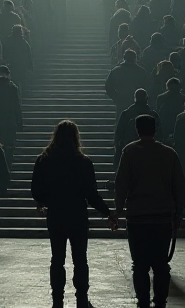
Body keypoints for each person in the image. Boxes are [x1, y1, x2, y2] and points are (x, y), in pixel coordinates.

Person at [32, 120, 116, 308]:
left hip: (56, 214)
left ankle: (57, 299)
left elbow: (36, 189)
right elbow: (91, 194)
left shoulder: (44, 159)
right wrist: (108, 212)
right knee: (80, 259)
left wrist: (44, 202)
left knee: (57, 259)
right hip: (77, 214)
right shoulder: (83, 161)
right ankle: (82, 298)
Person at [114, 115, 185, 308]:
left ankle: (143, 302)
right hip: (162, 217)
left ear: (137, 130)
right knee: (161, 264)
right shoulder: (169, 153)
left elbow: (121, 184)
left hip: (137, 216)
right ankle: (160, 302)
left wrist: (118, 209)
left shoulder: (129, 152)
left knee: (140, 265)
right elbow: (180, 186)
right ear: (156, 129)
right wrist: (178, 213)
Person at [114, 89, 161, 170]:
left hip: (130, 150)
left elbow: (119, 133)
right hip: (150, 151)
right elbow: (160, 133)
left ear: (134, 98)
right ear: (147, 98)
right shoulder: (153, 114)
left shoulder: (126, 114)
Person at [0, 66, 23, 164]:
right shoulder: (12, 88)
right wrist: (19, 120)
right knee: (10, 145)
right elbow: (17, 106)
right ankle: (8, 165)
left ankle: (0, 164)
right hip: (10, 122)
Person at [104, 50, 151, 117]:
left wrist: (115, 97)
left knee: (121, 119)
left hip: (121, 100)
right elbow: (148, 86)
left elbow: (108, 86)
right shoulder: (141, 71)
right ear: (135, 58)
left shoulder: (115, 70)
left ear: (124, 58)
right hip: (138, 100)